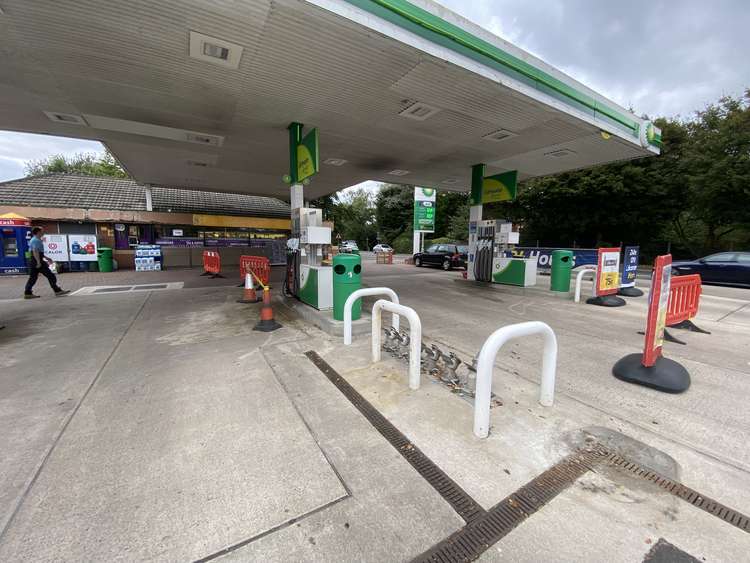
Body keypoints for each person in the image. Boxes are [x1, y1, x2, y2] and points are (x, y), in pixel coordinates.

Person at [24, 227, 69, 299]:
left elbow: (38, 252)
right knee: (50, 276)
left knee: (33, 278)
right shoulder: (35, 240)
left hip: (35, 260)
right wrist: (38, 262)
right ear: (38, 232)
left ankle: (28, 293)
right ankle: (57, 290)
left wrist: (46, 258)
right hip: (36, 261)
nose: (43, 232)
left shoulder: (36, 240)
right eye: (42, 231)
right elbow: (35, 252)